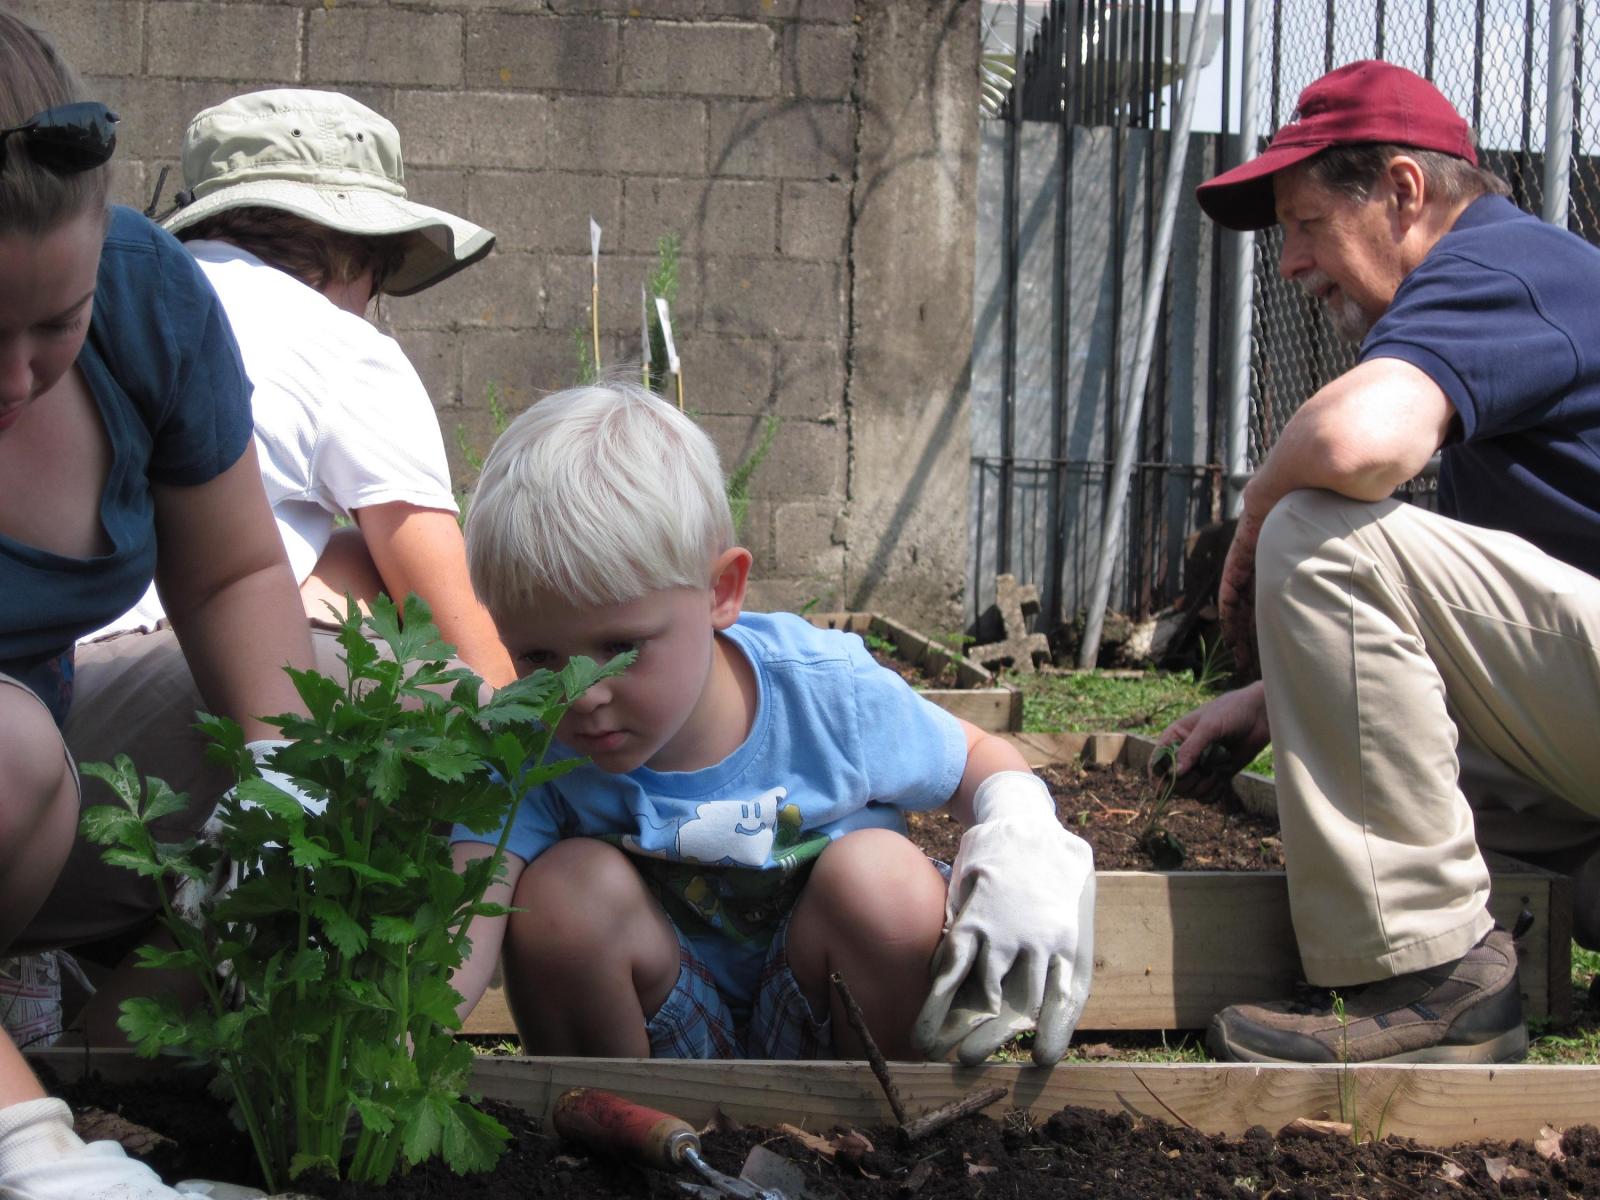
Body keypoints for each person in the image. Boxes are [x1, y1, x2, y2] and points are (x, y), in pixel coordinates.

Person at [1159, 59, 1600, 1065]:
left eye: (1305, 225)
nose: (1289, 265)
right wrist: (1280, 696)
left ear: (1402, 190)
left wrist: (1259, 519)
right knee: (1378, 800)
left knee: (1323, 526)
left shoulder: (1498, 268)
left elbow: (1358, 446)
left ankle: (1432, 978)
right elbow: (1501, 620)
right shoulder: (1512, 290)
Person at [447, 381, 1096, 1064]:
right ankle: (626, 1147)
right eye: (539, 657)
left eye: (620, 649)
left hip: (829, 1024)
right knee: (559, 898)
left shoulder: (824, 693)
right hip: (656, 1042)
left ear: (721, 592)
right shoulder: (530, 744)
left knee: (887, 884)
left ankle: (872, 1143)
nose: (581, 694)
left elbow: (974, 758)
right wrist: (398, 1038)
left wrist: (1021, 838)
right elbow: (465, 916)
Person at [0, 12, 316, 1198]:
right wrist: (33, 1159)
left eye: (55, 324)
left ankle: (103, 1069)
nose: (15, 379)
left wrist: (290, 788)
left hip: (41, 816)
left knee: (320, 719)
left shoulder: (147, 299)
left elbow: (234, 574)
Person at [85, 88, 515, 689]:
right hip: (135, 678)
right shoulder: (340, 345)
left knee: (347, 559)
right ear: (364, 254)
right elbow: (459, 629)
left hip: (42, 656)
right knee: (398, 601)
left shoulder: (113, 295)